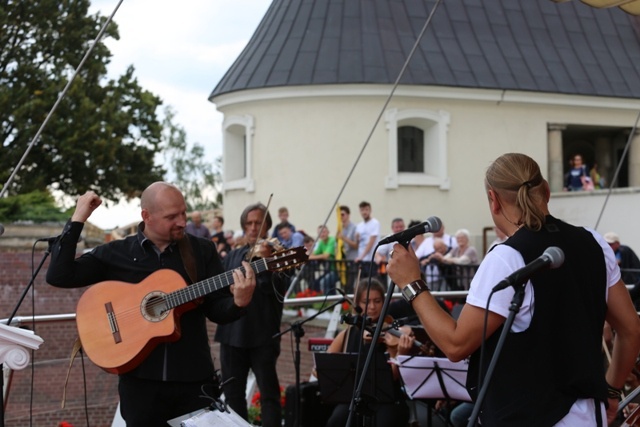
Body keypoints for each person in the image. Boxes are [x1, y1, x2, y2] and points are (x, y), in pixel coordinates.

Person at [387, 153, 640, 426]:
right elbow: (630, 329)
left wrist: (411, 283)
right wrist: (611, 389)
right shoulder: (594, 243)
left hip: (527, 416)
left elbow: (456, 344)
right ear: (546, 190)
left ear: (493, 199)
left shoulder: (506, 257)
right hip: (589, 416)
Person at [46, 182, 256, 427]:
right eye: (171, 216)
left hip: (193, 379)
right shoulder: (117, 253)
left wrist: (239, 303)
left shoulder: (201, 250)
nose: (181, 221)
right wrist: (79, 217)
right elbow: (59, 275)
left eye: (183, 213)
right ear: (146, 216)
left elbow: (217, 308)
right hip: (140, 384)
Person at [214, 203, 290, 427]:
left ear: (267, 226)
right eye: (249, 223)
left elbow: (274, 291)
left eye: (258, 223)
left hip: (262, 334)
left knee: (269, 393)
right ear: (243, 226)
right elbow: (221, 293)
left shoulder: (277, 256)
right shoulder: (233, 255)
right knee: (232, 394)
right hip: (231, 333)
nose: (254, 227)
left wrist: (266, 263)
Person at [323, 279, 411, 427]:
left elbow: (393, 376)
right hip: (357, 398)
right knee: (335, 421)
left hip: (386, 399)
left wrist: (400, 354)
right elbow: (327, 363)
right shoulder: (349, 332)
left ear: (384, 303)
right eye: (366, 302)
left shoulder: (391, 333)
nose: (372, 307)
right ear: (357, 305)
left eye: (377, 301)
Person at [604, 231, 640, 310]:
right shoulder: (604, 252)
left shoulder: (623, 251)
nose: (608, 246)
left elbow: (616, 262)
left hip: (627, 282)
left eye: (610, 244)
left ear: (617, 244)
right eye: (606, 243)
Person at [308, 225, 338, 294]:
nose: (322, 234)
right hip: (327, 271)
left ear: (328, 232)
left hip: (336, 270)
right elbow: (314, 253)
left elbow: (326, 256)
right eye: (320, 233)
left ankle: (326, 302)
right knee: (316, 283)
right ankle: (332, 301)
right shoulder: (321, 242)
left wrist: (310, 257)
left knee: (323, 282)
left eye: (324, 232)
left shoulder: (332, 240)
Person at [354, 201, 381, 279]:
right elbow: (358, 243)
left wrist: (361, 257)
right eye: (362, 210)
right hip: (362, 260)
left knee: (371, 283)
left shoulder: (375, 223)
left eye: (366, 209)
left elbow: (371, 242)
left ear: (370, 210)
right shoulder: (359, 226)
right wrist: (357, 238)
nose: (364, 212)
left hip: (371, 260)